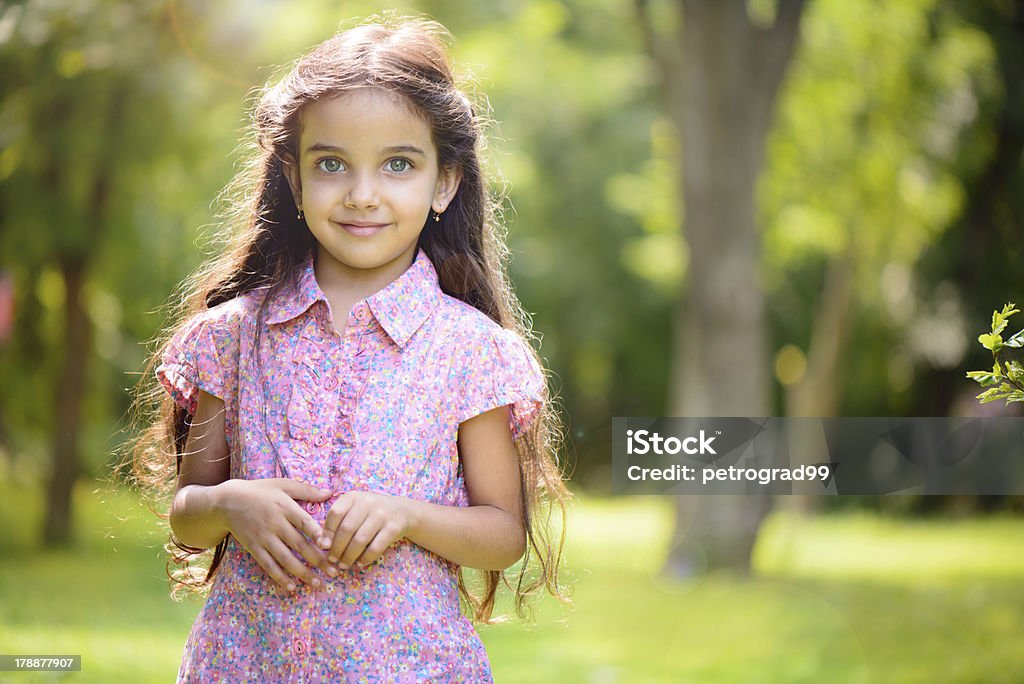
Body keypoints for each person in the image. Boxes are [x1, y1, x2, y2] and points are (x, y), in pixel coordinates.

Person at [130, 15, 570, 682]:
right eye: (331, 163)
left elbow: (502, 535)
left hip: (411, 669)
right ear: (293, 175)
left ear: (445, 181)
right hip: (244, 663)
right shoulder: (232, 337)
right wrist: (228, 505)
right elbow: (188, 514)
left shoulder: (473, 352)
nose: (363, 195)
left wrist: (408, 516)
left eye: (399, 164)